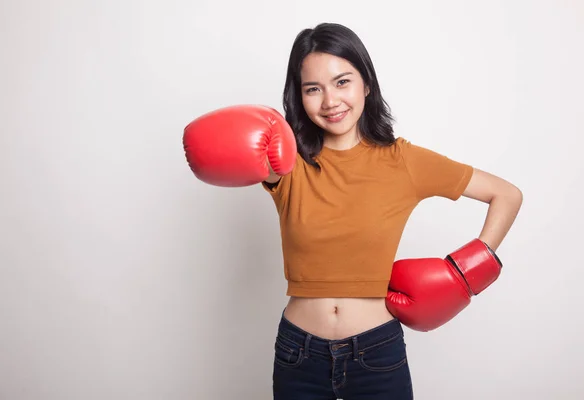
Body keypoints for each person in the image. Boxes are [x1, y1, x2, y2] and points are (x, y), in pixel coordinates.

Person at [183, 22, 523, 400]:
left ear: (366, 84)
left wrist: (466, 274)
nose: (330, 101)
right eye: (313, 89)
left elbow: (506, 195)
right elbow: (219, 150)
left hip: (377, 354)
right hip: (298, 354)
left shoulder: (405, 161)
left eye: (342, 82)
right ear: (299, 97)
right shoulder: (285, 160)